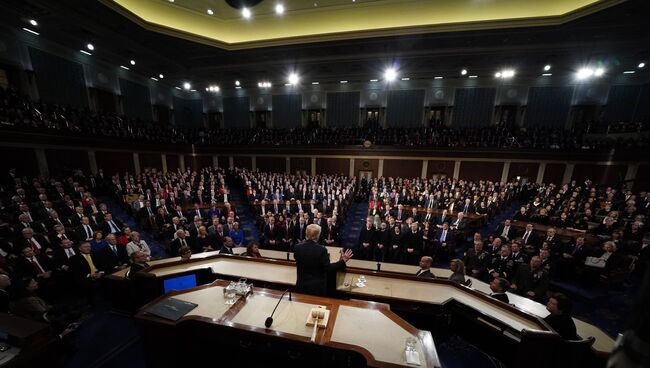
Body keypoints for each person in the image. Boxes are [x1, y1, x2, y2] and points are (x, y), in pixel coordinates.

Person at [294, 224, 353, 296]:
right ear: (318, 235)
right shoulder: (322, 250)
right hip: (316, 289)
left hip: (301, 286)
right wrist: (343, 261)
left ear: (306, 233)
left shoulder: (297, 248)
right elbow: (328, 268)